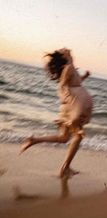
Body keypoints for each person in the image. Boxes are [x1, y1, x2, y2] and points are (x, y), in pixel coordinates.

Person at [20, 48, 93, 178]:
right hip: (74, 105)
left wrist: (85, 76)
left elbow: (75, 82)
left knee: (64, 138)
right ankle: (65, 168)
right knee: (78, 136)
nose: (66, 48)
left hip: (71, 106)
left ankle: (35, 140)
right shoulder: (68, 67)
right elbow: (62, 86)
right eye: (63, 50)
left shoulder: (71, 68)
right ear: (64, 56)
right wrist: (69, 100)